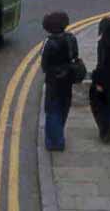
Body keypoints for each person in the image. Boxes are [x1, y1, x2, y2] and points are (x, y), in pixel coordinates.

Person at [40, 11, 77, 151]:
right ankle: (59, 134)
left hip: (53, 81)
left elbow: (44, 65)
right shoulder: (71, 38)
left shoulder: (48, 43)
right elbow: (75, 55)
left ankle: (54, 141)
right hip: (67, 79)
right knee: (64, 107)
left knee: (52, 110)